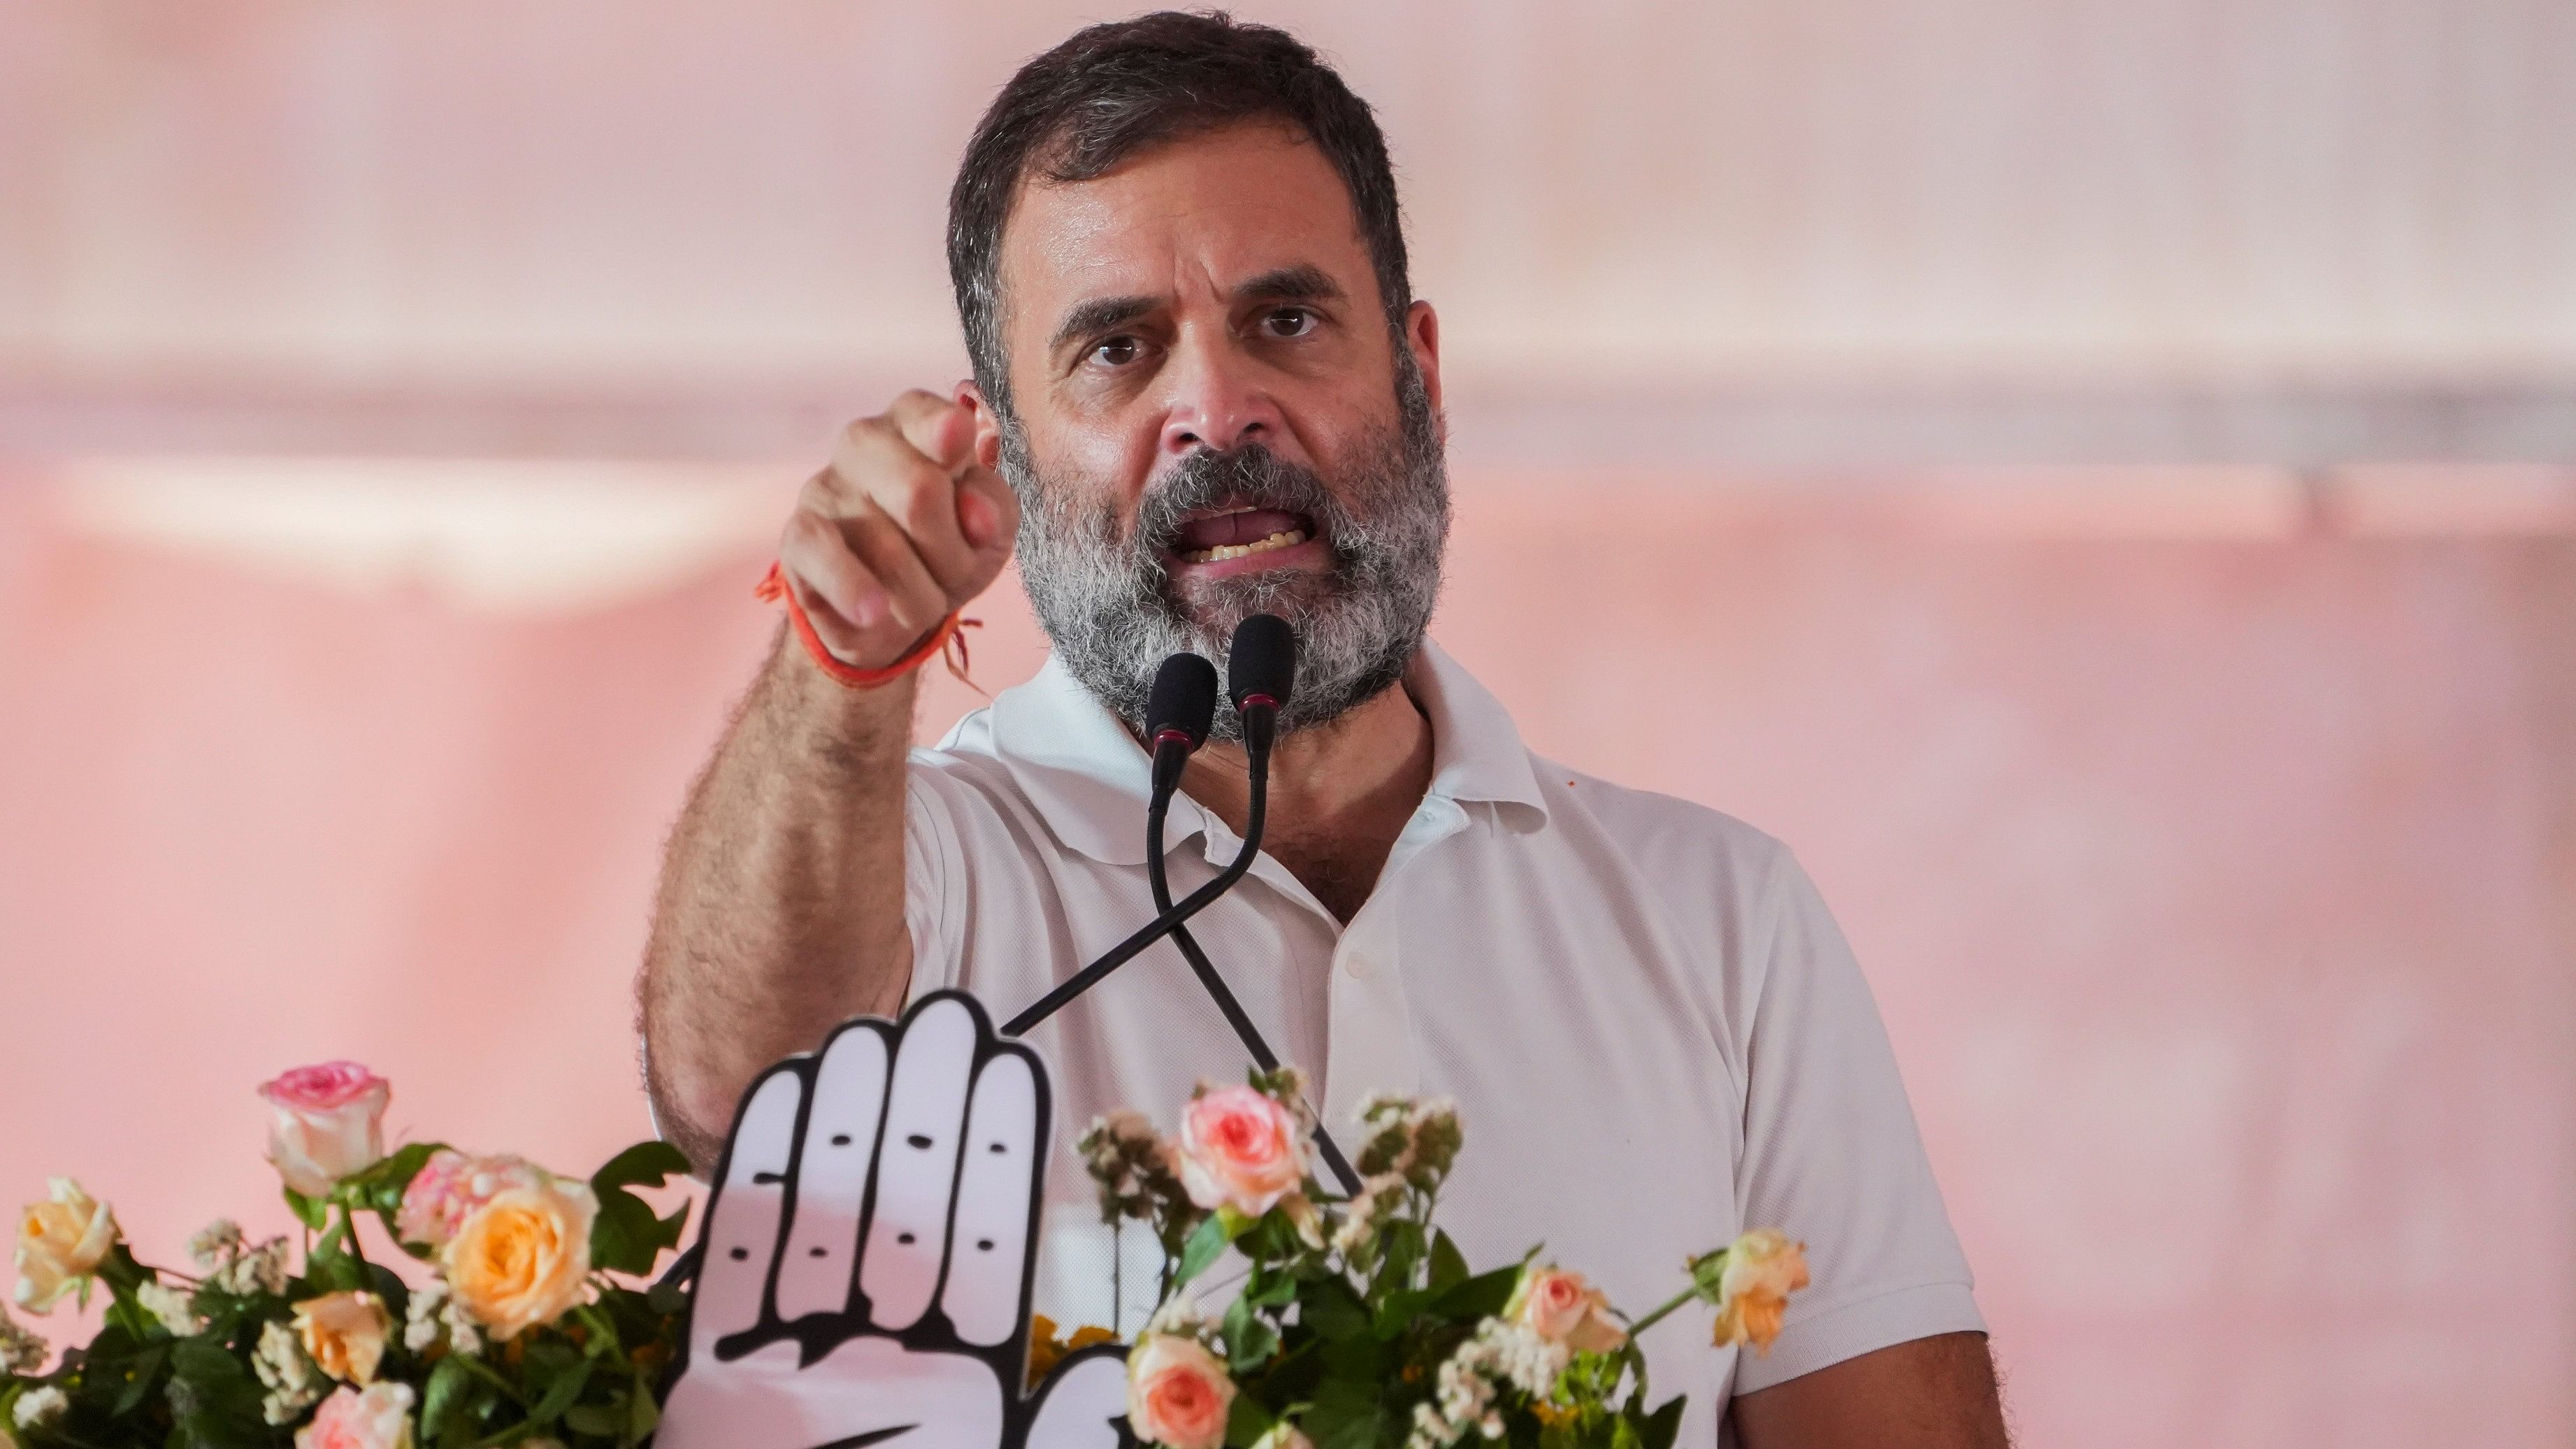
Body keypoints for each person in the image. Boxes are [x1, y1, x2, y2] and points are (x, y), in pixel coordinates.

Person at [638, 13, 2008, 1446]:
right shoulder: (918, 873)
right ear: (1006, 450)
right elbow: (742, 1089)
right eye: (1117, 348)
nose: (1216, 408)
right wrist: (845, 664)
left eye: (1284, 322)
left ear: (1415, 365)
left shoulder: (1721, 920)